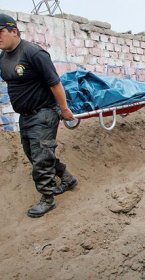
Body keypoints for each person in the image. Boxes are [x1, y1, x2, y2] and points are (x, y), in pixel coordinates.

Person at [0, 14, 77, 218]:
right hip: (25, 116)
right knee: (35, 155)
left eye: (0, 32)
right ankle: (67, 179)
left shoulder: (34, 53)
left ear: (14, 31)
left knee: (41, 158)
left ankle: (47, 199)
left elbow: (55, 83)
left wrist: (64, 109)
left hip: (44, 113)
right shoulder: (3, 58)